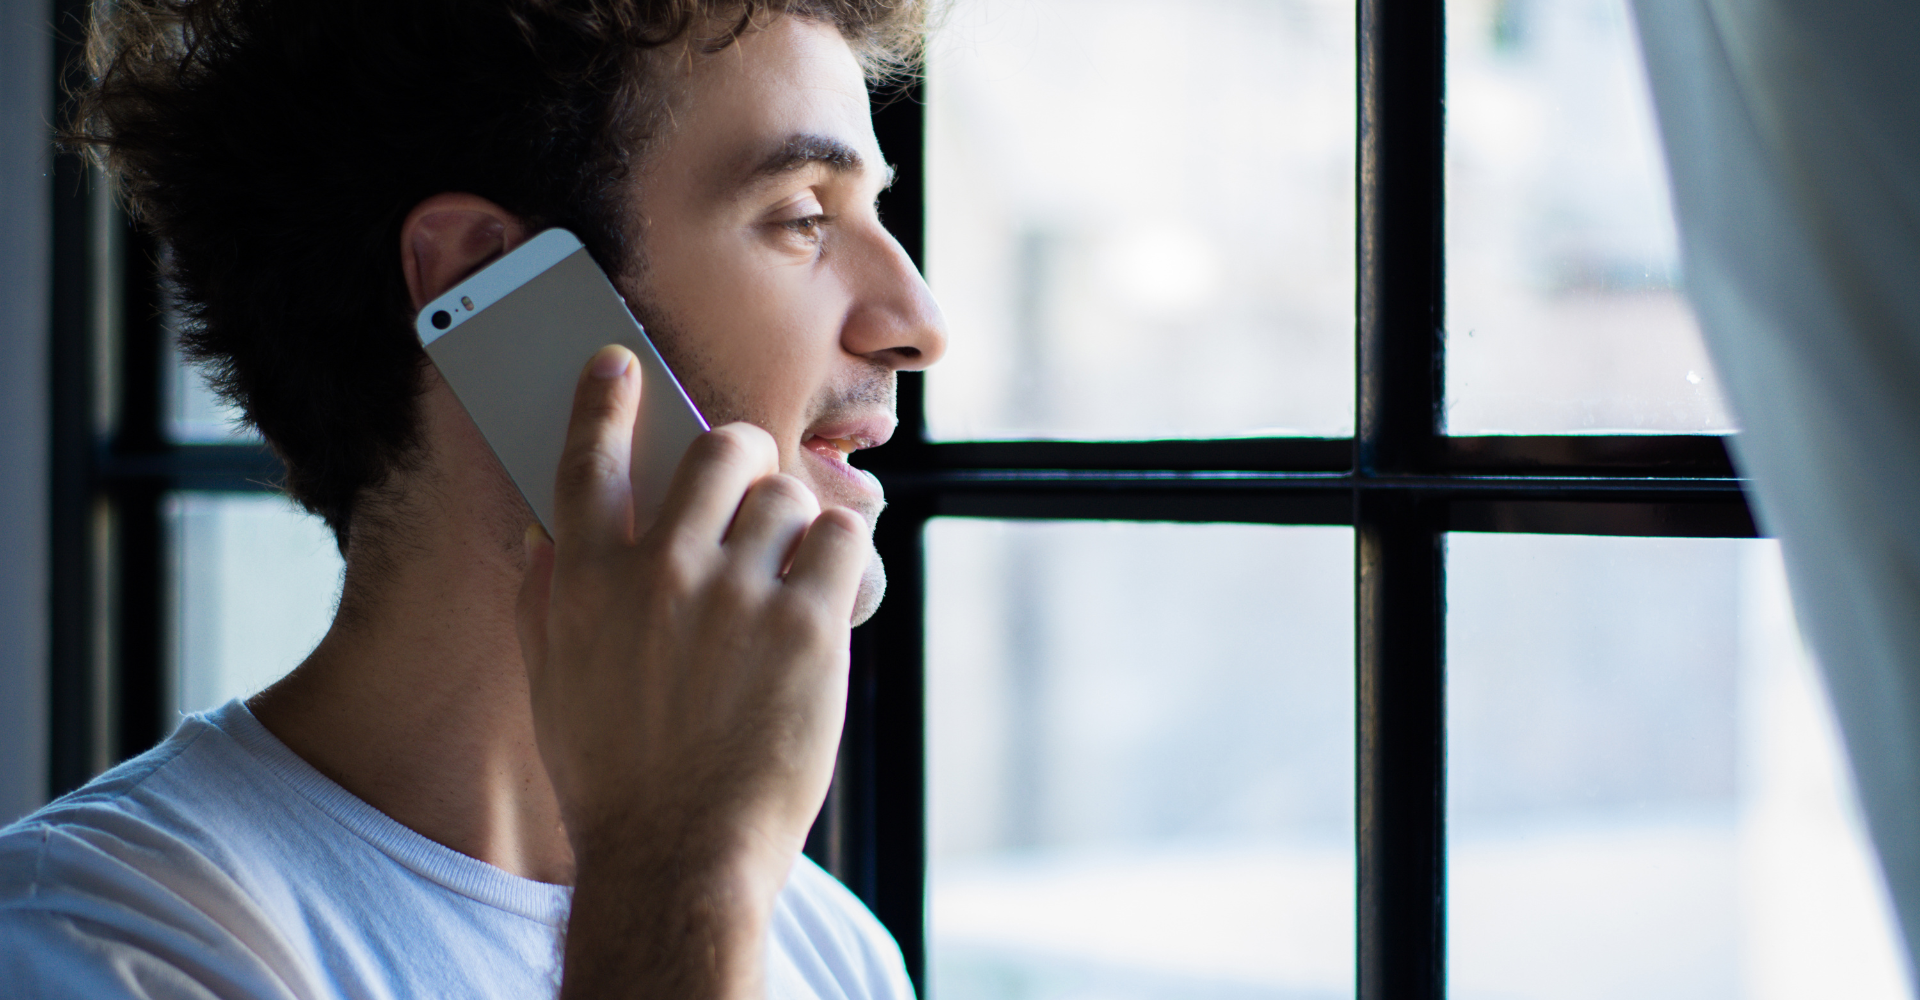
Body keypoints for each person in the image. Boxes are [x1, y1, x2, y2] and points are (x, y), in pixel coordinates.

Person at [0, 1, 948, 997]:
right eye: (803, 216)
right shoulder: (96, 941)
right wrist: (675, 873)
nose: (918, 322)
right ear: (488, 279)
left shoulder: (832, 950)